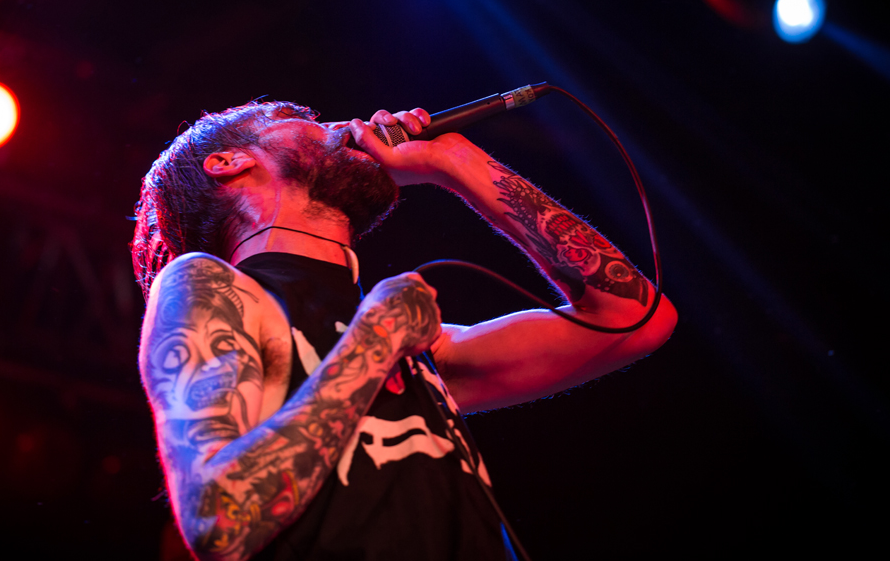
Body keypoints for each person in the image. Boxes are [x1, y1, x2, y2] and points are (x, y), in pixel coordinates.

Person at [132, 101, 677, 560]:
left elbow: (634, 318)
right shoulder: (209, 287)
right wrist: (377, 340)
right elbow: (218, 518)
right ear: (228, 162)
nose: (337, 126)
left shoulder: (418, 344)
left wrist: (460, 163)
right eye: (297, 117)